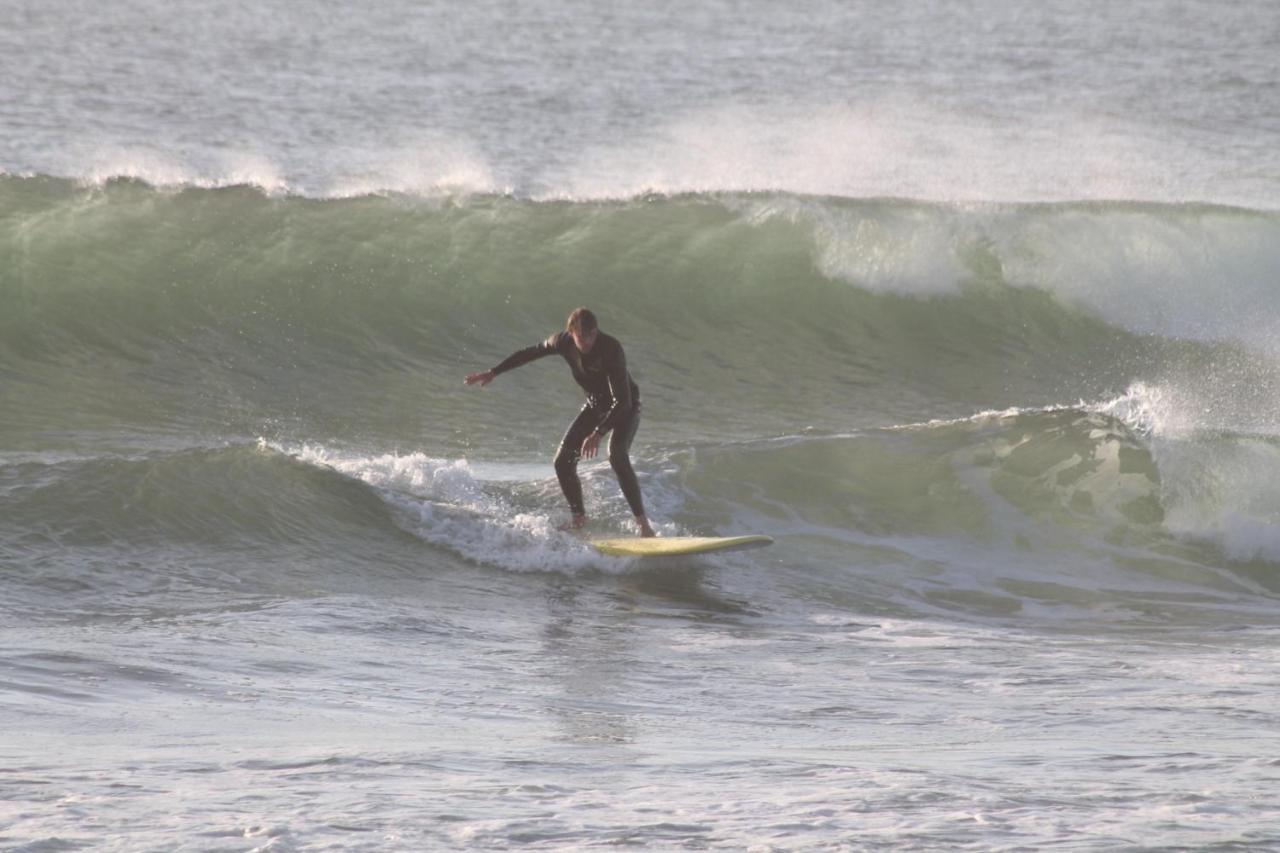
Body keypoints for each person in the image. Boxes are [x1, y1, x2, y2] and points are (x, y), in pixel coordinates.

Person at [464, 307, 657, 538]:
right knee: (562, 462)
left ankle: (644, 526)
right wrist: (494, 372)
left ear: (596, 331)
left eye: (591, 336)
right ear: (571, 333)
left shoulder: (611, 348)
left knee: (616, 454)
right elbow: (530, 352)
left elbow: (622, 401)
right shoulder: (562, 341)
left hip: (626, 406)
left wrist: (597, 433)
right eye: (581, 338)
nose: (587, 343)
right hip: (596, 405)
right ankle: (579, 518)